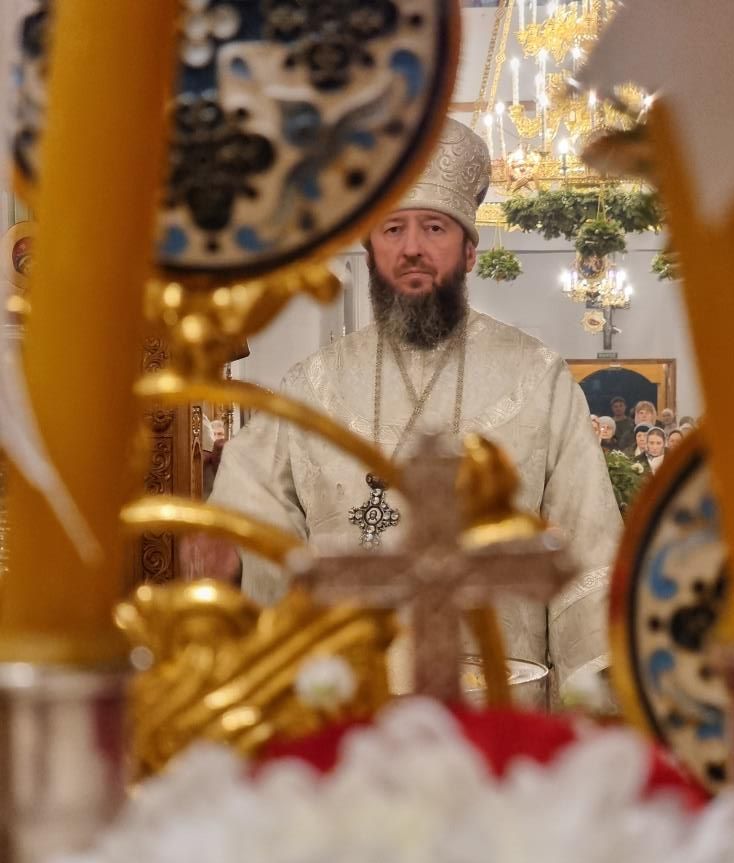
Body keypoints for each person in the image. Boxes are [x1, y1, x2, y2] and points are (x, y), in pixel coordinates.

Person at [209, 118, 622, 690]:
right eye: (392, 229)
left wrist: (588, 697)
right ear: (370, 252)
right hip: (351, 698)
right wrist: (233, 556)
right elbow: (254, 521)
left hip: (497, 700)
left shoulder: (537, 377)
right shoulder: (312, 386)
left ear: (470, 252)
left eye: (434, 228)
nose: (412, 249)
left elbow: (589, 548)